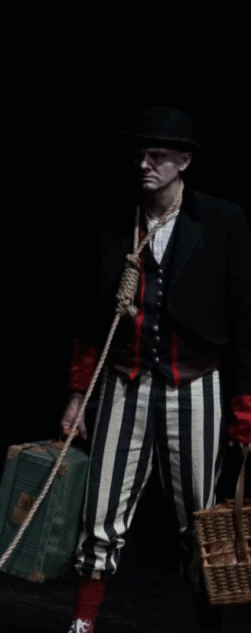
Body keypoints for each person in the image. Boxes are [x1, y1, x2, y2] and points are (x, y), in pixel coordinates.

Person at [59, 108, 251, 633]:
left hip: (194, 383)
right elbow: (90, 317)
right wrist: (78, 395)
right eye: (140, 155)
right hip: (125, 381)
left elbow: (243, 320)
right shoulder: (116, 220)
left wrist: (243, 410)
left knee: (200, 523)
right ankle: (83, 624)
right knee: (99, 515)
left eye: (158, 156)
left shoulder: (222, 220)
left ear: (183, 162)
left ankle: (211, 625)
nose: (145, 164)